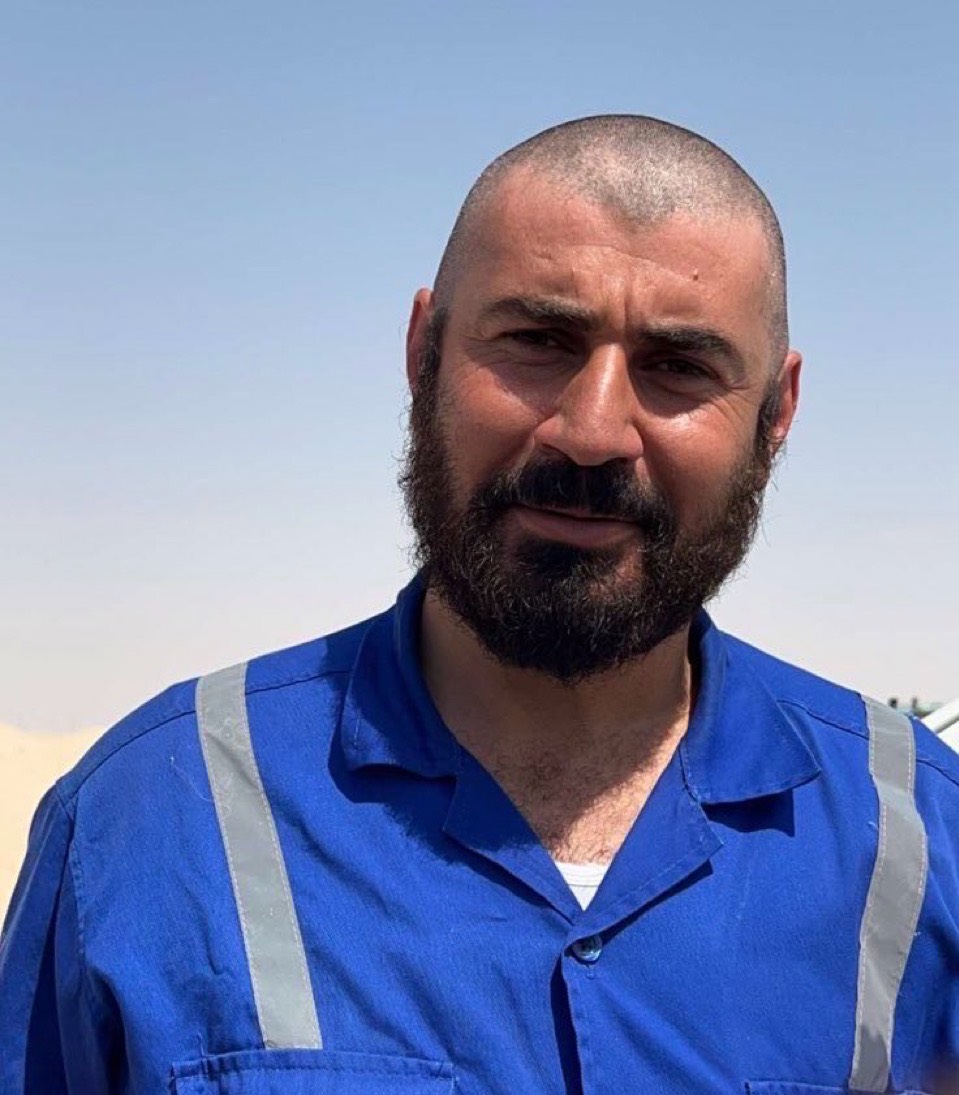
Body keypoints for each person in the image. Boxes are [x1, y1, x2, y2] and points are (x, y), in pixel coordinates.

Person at [1, 115, 957, 1094]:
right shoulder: (150, 818)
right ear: (424, 352)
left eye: (677, 366)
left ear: (775, 414)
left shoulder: (922, 841)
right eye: (537, 341)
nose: (591, 432)